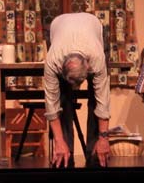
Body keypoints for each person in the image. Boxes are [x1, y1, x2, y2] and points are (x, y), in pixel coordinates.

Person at [44, 13, 111, 168]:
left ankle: (96, 154)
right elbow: (51, 105)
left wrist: (104, 138)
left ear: (88, 67)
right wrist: (58, 140)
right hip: (57, 25)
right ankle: (64, 155)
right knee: (62, 96)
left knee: (96, 96)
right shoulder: (53, 62)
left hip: (93, 25)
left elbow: (103, 101)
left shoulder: (96, 58)